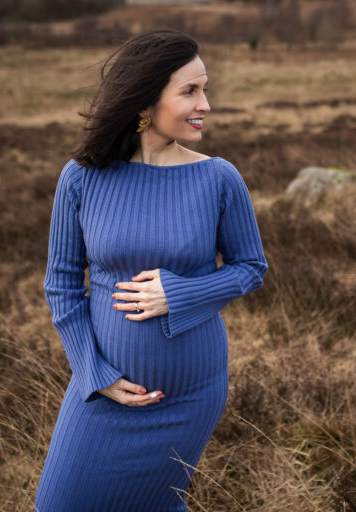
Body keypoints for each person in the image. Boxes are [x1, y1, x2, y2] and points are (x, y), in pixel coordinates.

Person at [33, 29, 268, 511]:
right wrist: (92, 371)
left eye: (204, 89)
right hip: (100, 391)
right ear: (145, 100)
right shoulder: (82, 176)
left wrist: (180, 294)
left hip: (188, 394)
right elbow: (60, 285)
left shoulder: (218, 178)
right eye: (190, 91)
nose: (205, 104)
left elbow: (250, 268)